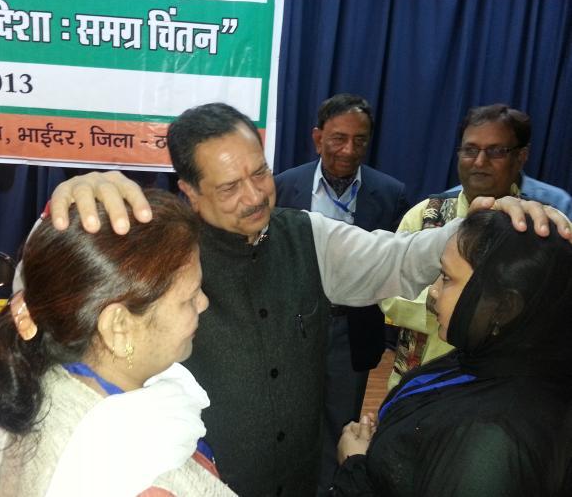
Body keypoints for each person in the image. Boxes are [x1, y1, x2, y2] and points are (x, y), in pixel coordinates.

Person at [33, 103, 568, 497]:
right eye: (228, 187)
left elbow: (406, 257)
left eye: (258, 173)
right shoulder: (161, 254)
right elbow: (47, 295)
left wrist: (492, 227)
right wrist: (69, 203)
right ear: (189, 192)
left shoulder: (310, 236)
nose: (254, 196)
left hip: (307, 480)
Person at [0, 190, 237, 497]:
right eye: (189, 298)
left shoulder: (38, 370)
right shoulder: (136, 474)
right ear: (119, 328)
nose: (204, 303)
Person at [332, 209, 572, 496]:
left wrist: (355, 464)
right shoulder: (483, 357)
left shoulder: (492, 440)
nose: (432, 292)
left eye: (446, 278)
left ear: (504, 307)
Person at [381, 103, 572, 389]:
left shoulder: (541, 224)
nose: (479, 162)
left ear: (521, 156)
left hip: (506, 390)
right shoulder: (425, 215)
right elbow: (387, 293)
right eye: (470, 149)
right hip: (417, 380)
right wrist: (442, 300)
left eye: (496, 151)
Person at [275, 93, 409, 489]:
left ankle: (336, 488)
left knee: (340, 419)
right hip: (293, 326)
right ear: (318, 139)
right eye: (338, 138)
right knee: (291, 414)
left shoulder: (390, 193)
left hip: (351, 329)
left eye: (360, 139)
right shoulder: (284, 187)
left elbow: (394, 264)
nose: (349, 150)